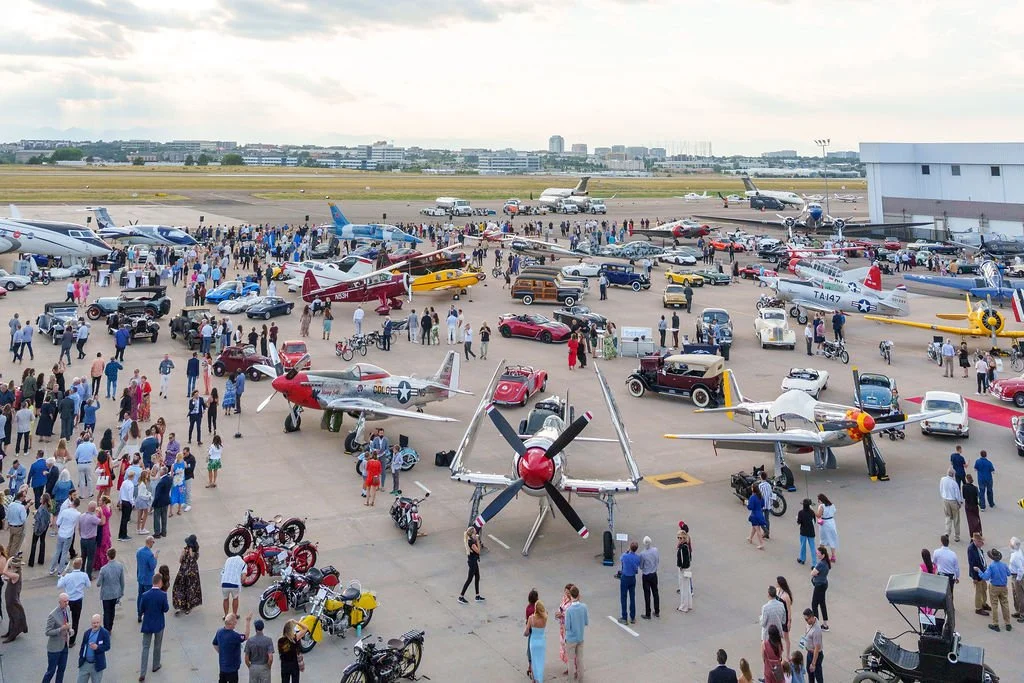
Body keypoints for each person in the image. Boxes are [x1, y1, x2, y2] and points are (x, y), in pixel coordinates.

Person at [139, 572, 169, 681]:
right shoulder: (162, 595)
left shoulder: (145, 595)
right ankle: (156, 664)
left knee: (145, 647)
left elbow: (141, 609)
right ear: (160, 582)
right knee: (157, 645)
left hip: (147, 624)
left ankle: (143, 672)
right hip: (159, 624)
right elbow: (165, 609)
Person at [214, 612, 253, 683]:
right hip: (232, 668)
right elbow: (246, 636)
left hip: (222, 667)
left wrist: (222, 652)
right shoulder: (234, 636)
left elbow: (214, 644)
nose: (236, 623)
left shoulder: (219, 632)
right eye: (235, 622)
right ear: (230, 624)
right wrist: (248, 621)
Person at [44, 593, 73, 683]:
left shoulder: (67, 609)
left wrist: (70, 630)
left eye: (68, 601)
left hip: (64, 645)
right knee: (51, 671)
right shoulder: (53, 615)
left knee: (61, 670)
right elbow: (47, 632)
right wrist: (61, 629)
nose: (67, 603)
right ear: (59, 602)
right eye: (65, 601)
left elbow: (67, 624)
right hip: (54, 648)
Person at [981, 548, 1012, 631]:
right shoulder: (1004, 565)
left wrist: (979, 571)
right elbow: (1009, 573)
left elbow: (985, 577)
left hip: (994, 587)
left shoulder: (991, 566)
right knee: (1005, 604)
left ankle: (996, 624)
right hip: (1003, 587)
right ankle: (1008, 623)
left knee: (994, 605)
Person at [173, 534, 203, 615]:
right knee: (179, 588)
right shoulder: (185, 550)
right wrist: (182, 554)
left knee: (190, 590)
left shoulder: (196, 552)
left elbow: (193, 559)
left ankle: (188, 607)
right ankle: (179, 606)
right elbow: (180, 561)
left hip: (191, 574)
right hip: (182, 572)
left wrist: (190, 552)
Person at [76, 613, 111, 683]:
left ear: (100, 622)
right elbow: (83, 647)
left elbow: (107, 646)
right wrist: (81, 658)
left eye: (97, 623)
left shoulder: (104, 633)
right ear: (91, 623)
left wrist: (98, 647)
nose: (95, 625)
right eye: (94, 623)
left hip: (97, 665)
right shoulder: (87, 633)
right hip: (85, 664)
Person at [96, 547, 124, 632]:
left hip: (106, 594)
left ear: (108, 556)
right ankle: (110, 627)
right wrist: (121, 592)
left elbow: (98, 583)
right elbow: (122, 581)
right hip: (116, 593)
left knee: (106, 612)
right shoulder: (120, 566)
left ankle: (106, 629)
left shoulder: (104, 569)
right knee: (112, 611)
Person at [563, 585, 588, 681]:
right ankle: (581, 679)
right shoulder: (584, 607)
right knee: (580, 660)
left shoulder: (569, 610)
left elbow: (567, 627)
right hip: (580, 637)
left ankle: (570, 680)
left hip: (571, 639)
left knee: (570, 661)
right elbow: (586, 622)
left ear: (571, 596)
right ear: (578, 595)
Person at [2, 550, 27, 642]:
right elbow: (7, 577)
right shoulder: (16, 573)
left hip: (11, 599)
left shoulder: (15, 575)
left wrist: (8, 560)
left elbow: (4, 572)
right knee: (11, 615)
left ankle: (13, 634)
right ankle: (10, 632)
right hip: (11, 597)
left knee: (13, 615)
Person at [458, 526, 484, 604]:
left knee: (477, 577)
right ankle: (461, 596)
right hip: (472, 562)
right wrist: (478, 541)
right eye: (475, 532)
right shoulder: (471, 542)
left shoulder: (471, 540)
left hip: (474, 561)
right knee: (469, 579)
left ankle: (477, 595)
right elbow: (478, 551)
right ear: (472, 534)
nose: (476, 533)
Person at [524, 600, 547, 683]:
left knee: (534, 661)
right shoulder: (545, 618)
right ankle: (540, 679)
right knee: (540, 661)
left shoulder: (531, 618)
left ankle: (534, 680)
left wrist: (525, 633)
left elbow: (526, 632)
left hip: (533, 642)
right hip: (542, 642)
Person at [245, 618, 275, 683]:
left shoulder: (250, 641)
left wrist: (250, 666)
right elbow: (270, 658)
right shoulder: (268, 640)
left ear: (255, 628)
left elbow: (246, 659)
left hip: (253, 667)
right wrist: (268, 666)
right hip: (264, 666)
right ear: (263, 628)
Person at [136, 536, 158, 622]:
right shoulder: (150, 554)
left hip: (140, 578)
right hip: (148, 580)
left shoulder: (139, 551)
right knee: (148, 597)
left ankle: (139, 613)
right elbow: (152, 566)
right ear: (150, 542)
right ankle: (147, 614)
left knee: (140, 596)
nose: (153, 544)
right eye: (153, 542)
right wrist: (155, 558)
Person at [618, 540, 640, 623]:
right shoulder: (637, 557)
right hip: (632, 578)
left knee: (623, 597)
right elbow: (637, 566)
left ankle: (624, 617)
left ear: (630, 548)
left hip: (625, 577)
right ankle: (633, 617)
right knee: (632, 597)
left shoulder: (625, 556)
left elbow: (621, 559)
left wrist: (627, 551)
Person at [638, 535, 660, 619]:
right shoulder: (655, 550)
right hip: (654, 574)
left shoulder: (642, 554)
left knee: (647, 595)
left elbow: (641, 566)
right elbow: (657, 560)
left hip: (646, 575)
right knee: (655, 592)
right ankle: (657, 611)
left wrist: (644, 568)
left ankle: (648, 613)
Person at [940, 467, 964, 542]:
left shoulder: (942, 479)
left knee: (948, 516)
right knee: (956, 519)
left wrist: (943, 496)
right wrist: (959, 503)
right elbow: (957, 494)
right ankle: (957, 536)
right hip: (953, 501)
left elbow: (941, 489)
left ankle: (947, 532)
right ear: (953, 474)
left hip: (945, 500)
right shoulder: (954, 483)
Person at [809, 547, 831, 631]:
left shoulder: (821, 564)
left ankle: (816, 624)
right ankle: (825, 624)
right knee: (822, 603)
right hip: (824, 584)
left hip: (819, 585)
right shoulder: (826, 563)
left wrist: (815, 574)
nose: (817, 554)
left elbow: (813, 573)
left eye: (818, 553)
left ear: (823, 555)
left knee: (814, 603)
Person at [801, 608, 824, 683]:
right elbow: (806, 632)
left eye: (807, 619)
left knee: (818, 675)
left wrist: (813, 663)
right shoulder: (809, 623)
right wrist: (803, 642)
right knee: (810, 673)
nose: (806, 621)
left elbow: (817, 648)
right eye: (805, 619)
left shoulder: (816, 630)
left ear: (811, 617)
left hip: (815, 655)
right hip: (810, 653)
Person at [814, 494, 838, 563]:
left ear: (820, 500)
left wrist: (813, 511)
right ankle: (833, 556)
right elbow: (834, 511)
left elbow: (818, 515)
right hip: (832, 522)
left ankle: (821, 553)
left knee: (823, 539)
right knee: (832, 539)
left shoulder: (821, 506)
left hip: (824, 523)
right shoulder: (832, 505)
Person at [221, 552, 246, 618]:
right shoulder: (243, 563)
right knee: (235, 598)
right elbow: (243, 578)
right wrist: (241, 582)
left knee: (225, 599)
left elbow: (222, 572)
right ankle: (234, 615)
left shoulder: (228, 560)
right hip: (235, 584)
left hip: (224, 583)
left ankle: (226, 615)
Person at [151, 467, 172, 538]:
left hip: (159, 503)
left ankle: (157, 533)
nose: (159, 471)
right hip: (166, 501)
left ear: (163, 472)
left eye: (160, 470)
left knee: (157, 518)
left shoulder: (161, 482)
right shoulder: (169, 479)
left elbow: (157, 495)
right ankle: (164, 532)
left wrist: (153, 504)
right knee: (164, 517)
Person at [776, 576, 794, 658]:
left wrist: (789, 622)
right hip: (779, 616)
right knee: (779, 636)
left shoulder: (786, 596)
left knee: (786, 637)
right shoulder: (778, 591)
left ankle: (787, 655)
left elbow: (789, 610)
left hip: (785, 618)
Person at [676, 528, 693, 612]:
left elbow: (682, 561)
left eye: (681, 538)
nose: (679, 539)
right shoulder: (687, 546)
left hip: (684, 569)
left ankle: (684, 606)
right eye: (678, 537)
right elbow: (689, 558)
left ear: (684, 538)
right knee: (688, 587)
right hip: (688, 569)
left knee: (683, 588)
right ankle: (689, 604)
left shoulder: (682, 548)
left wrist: (681, 568)